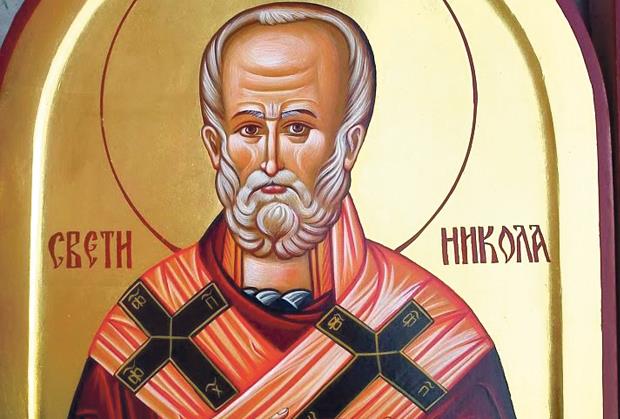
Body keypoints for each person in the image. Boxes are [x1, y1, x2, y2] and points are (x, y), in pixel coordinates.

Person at [70, 3, 516, 418]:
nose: (270, 161)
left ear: (348, 146)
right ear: (216, 147)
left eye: (297, 128)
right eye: (249, 129)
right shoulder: (147, 333)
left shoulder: (435, 345)